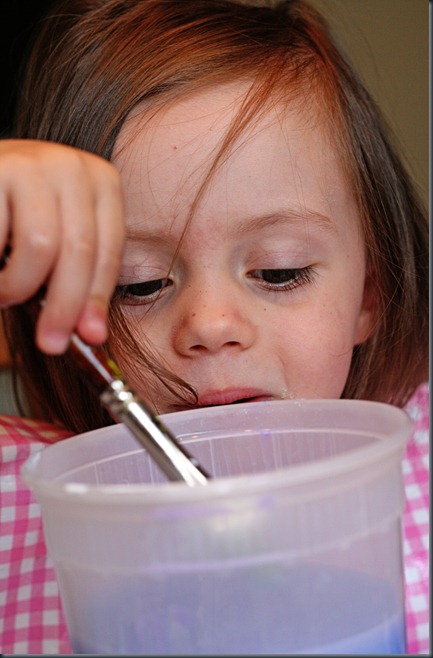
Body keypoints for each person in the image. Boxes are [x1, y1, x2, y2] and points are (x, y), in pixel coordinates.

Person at [0, 0, 428, 653]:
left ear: (369, 291)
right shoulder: (14, 494)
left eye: (279, 272)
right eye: (138, 284)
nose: (210, 324)